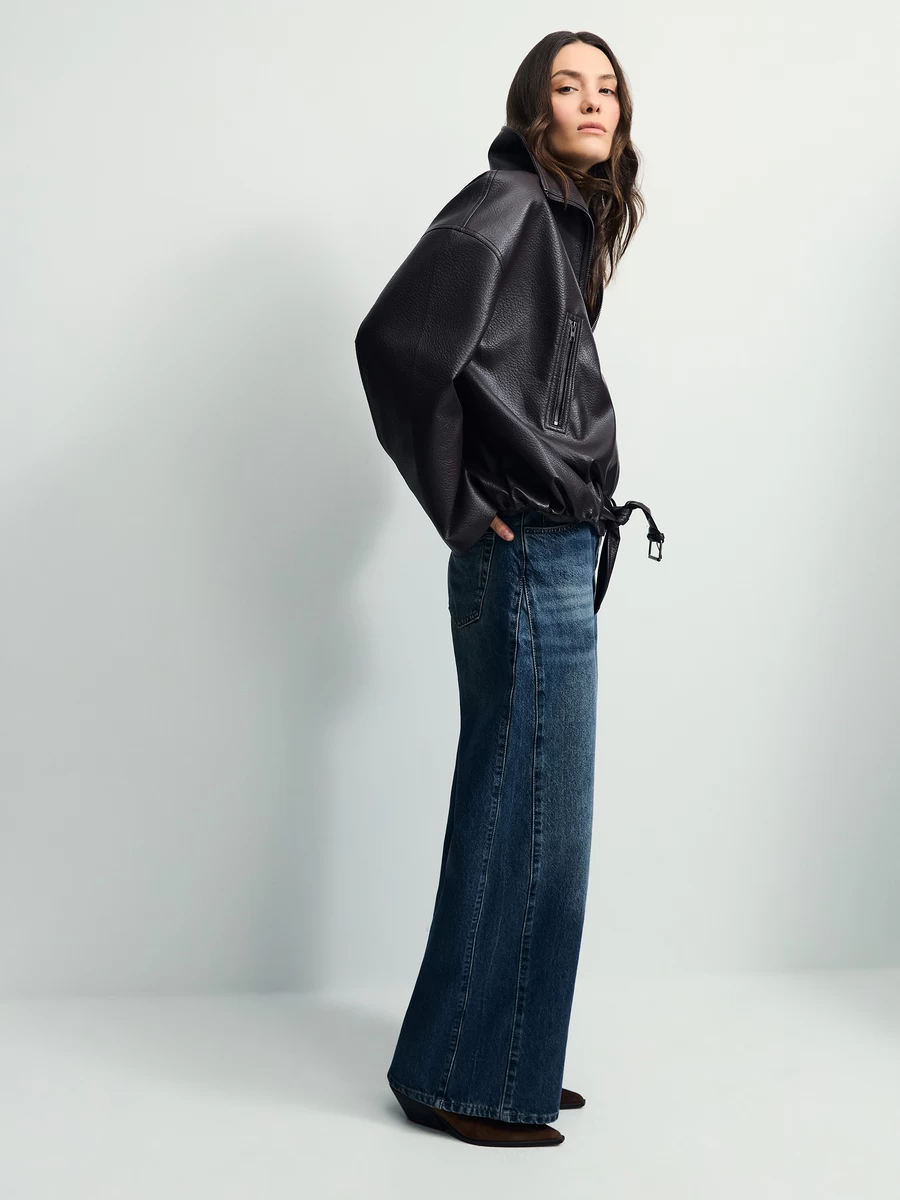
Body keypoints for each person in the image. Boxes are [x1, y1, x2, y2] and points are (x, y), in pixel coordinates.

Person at [354, 30, 666, 1148]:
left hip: (553, 548)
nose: (593, 101)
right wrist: (462, 500)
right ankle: (468, 1078)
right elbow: (394, 343)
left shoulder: (562, 220)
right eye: (568, 86)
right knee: (528, 818)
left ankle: (497, 1056)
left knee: (534, 818)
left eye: (608, 87)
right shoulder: (508, 205)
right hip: (524, 546)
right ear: (534, 106)